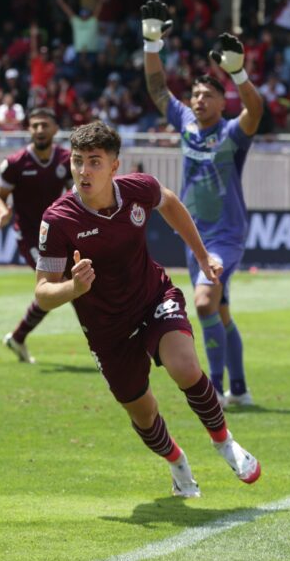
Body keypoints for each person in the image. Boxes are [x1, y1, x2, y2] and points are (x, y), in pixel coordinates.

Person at [35, 121, 260, 496]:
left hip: (152, 299)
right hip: (107, 331)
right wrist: (74, 287)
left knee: (185, 367)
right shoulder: (58, 219)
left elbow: (170, 203)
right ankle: (176, 462)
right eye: (78, 162)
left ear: (114, 167)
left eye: (94, 162)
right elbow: (43, 293)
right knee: (143, 412)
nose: (84, 171)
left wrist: (202, 258)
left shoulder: (139, 189)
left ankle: (224, 442)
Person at [141, 0, 264, 408]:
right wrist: (152, 43)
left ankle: (212, 385)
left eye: (207, 95)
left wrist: (238, 73)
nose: (197, 100)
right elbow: (158, 89)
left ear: (222, 103)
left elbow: (256, 109)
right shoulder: (187, 127)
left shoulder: (232, 133)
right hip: (193, 234)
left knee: (204, 301)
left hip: (226, 235)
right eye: (194, 94)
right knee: (221, 312)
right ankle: (241, 389)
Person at [0, 107, 72, 363]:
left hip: (59, 234)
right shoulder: (15, 163)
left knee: (73, 286)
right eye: (35, 125)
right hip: (29, 236)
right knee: (56, 285)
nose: (39, 130)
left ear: (55, 129)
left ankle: (17, 337)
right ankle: (104, 345)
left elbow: (78, 193)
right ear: (29, 129)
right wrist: (3, 212)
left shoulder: (66, 160)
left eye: (44, 125)